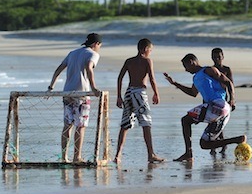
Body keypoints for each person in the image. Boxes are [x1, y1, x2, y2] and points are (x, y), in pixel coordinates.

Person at [163, 53, 246, 162]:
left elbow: (228, 82)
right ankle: (238, 139)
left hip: (219, 105)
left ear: (192, 62)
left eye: (185, 66)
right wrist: (174, 83)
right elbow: (193, 93)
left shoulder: (209, 70)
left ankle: (188, 154)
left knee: (185, 120)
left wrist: (232, 99)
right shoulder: (195, 78)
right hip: (217, 110)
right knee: (205, 144)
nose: (186, 70)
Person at [48, 33, 102, 163]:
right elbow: (89, 68)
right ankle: (76, 157)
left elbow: (59, 69)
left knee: (67, 125)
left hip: (67, 93)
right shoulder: (93, 54)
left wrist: (51, 87)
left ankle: (64, 157)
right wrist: (93, 88)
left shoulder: (72, 53)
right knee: (80, 125)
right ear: (96, 44)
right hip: (81, 94)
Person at [113, 38, 165, 164]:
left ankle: (118, 155)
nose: (150, 53)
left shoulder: (129, 61)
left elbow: (120, 78)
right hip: (140, 94)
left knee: (125, 125)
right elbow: (152, 79)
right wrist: (156, 93)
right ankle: (150, 154)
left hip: (129, 93)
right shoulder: (147, 61)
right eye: (150, 50)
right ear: (146, 49)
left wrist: (119, 96)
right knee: (146, 124)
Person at [210, 47, 233, 155]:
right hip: (212, 99)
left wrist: (232, 99)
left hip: (223, 99)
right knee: (213, 122)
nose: (217, 59)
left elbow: (230, 84)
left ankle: (220, 145)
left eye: (219, 57)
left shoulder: (226, 70)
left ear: (223, 57)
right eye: (214, 57)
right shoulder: (210, 70)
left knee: (220, 123)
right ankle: (215, 146)